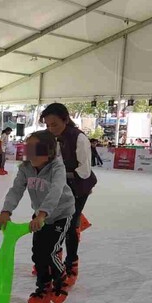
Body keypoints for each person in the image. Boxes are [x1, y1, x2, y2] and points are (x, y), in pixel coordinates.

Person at [0, 130, 75, 303]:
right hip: (40, 215)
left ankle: (60, 280)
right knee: (37, 253)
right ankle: (43, 288)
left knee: (50, 252)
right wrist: (6, 211)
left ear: (47, 151)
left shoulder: (57, 167)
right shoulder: (25, 168)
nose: (29, 152)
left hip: (61, 214)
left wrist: (42, 214)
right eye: (27, 147)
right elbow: (16, 189)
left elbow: (56, 191)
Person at [42, 103, 96, 287]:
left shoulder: (79, 138)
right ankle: (52, 259)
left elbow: (85, 170)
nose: (51, 129)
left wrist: (60, 174)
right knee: (50, 220)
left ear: (65, 119)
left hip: (79, 186)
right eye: (47, 125)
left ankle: (72, 263)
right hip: (60, 186)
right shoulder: (48, 137)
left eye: (54, 124)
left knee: (70, 225)